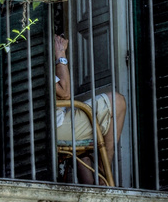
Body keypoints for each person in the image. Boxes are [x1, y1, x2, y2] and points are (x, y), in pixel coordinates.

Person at [54, 34, 126, 185]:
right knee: (117, 101)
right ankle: (103, 177)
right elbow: (65, 92)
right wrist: (60, 54)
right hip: (56, 129)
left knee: (87, 126)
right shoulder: (36, 62)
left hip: (50, 127)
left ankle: (91, 184)